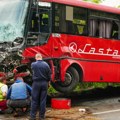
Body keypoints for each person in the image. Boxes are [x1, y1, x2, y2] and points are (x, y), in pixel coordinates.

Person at [30, 53, 51, 120]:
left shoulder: (33, 64)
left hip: (36, 83)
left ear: (36, 58)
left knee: (34, 100)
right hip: (44, 83)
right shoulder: (46, 65)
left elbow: (32, 72)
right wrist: (48, 83)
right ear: (41, 57)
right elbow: (49, 76)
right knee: (43, 100)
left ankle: (33, 117)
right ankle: (41, 117)